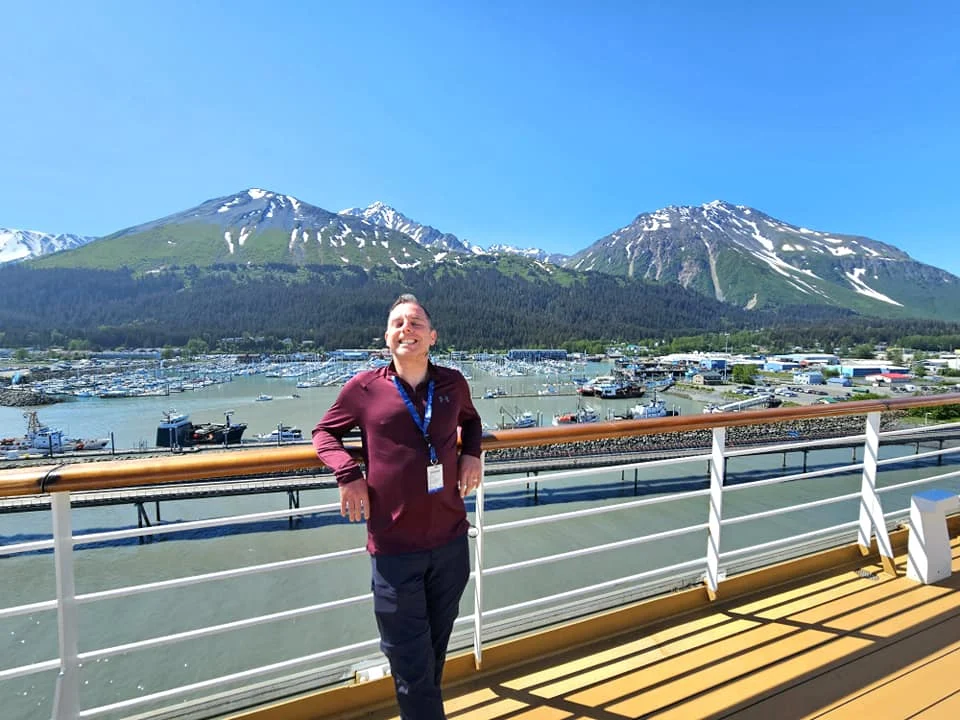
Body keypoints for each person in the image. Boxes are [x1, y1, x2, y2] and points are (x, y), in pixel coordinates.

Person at [312, 293, 483, 720]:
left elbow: (472, 420)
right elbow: (324, 433)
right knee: (410, 662)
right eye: (398, 324)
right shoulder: (364, 388)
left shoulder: (453, 384)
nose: (407, 329)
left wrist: (472, 453)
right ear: (387, 337)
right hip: (394, 549)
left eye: (416, 322)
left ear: (433, 336)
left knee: (431, 653)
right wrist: (348, 474)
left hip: (450, 545)